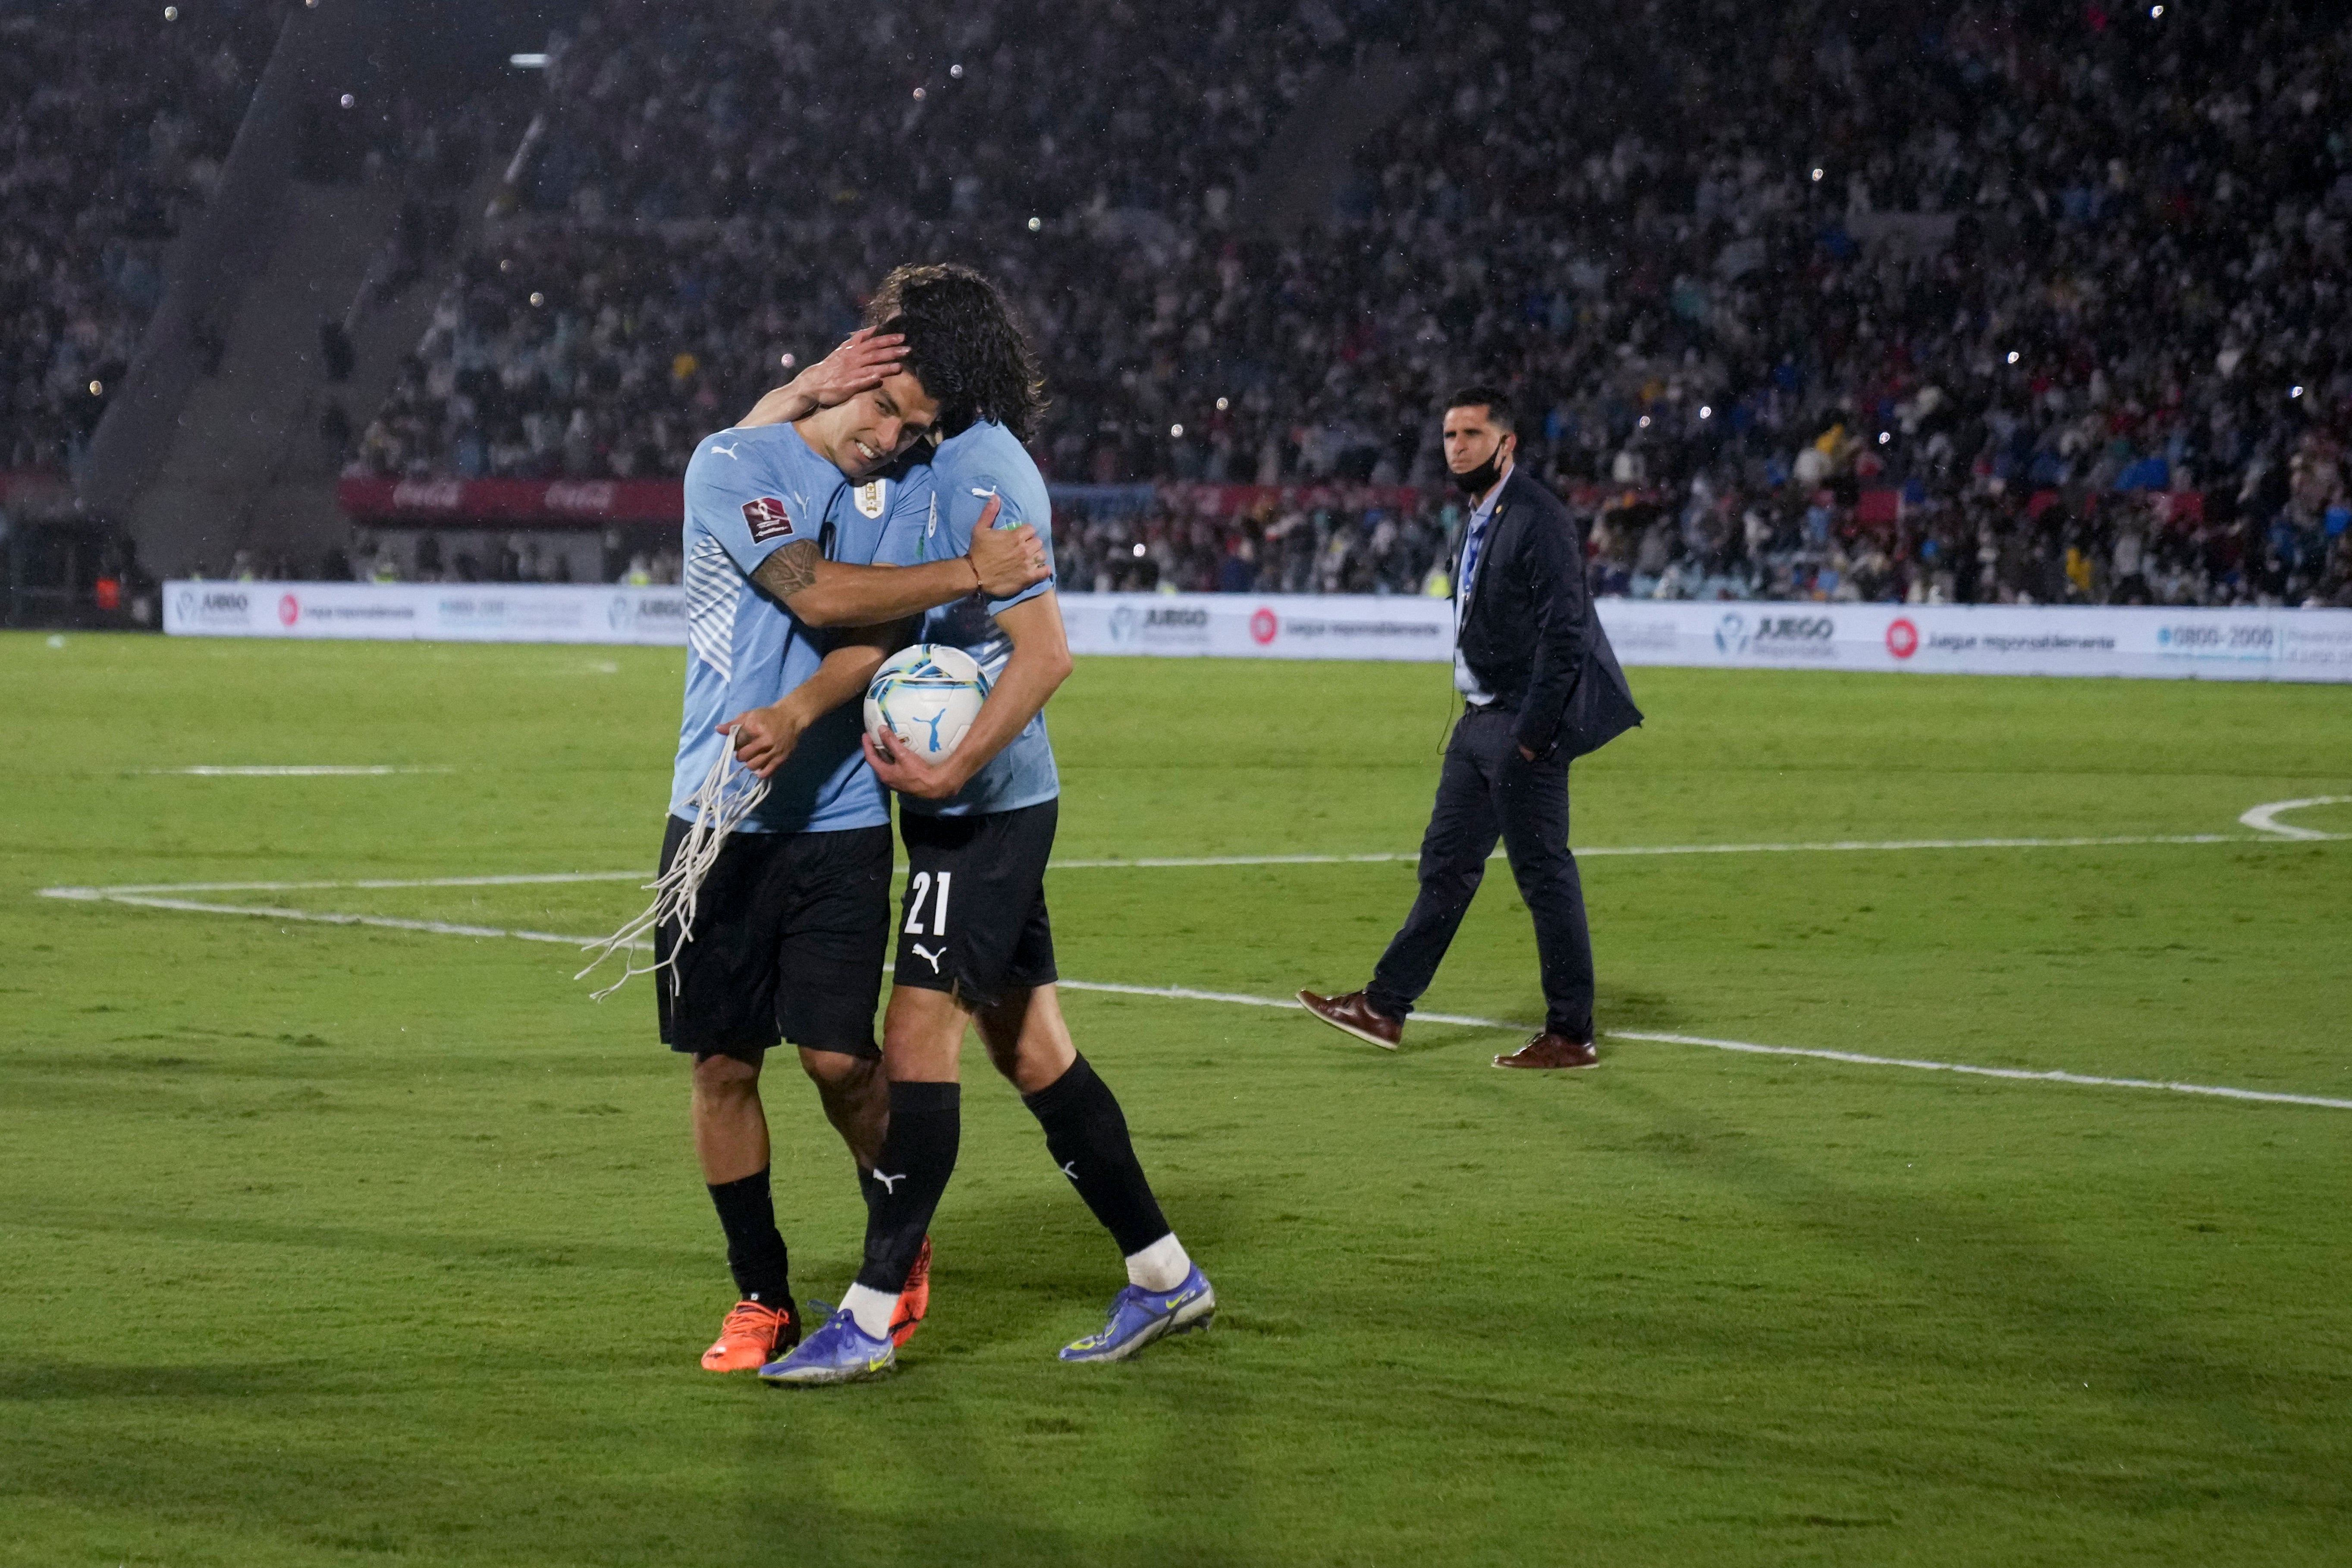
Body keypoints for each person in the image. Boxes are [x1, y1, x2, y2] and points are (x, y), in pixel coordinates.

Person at [761, 264, 1212, 1386]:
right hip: (949, 801)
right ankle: (1163, 1274)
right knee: (1032, 1049)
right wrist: (813, 383)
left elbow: (1048, 651)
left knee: (918, 1040)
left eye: (895, 348)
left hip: (987, 806)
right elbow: (743, 462)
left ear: (947, 362)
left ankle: (868, 1318)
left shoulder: (986, 468)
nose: (877, 363)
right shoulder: (907, 448)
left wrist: (952, 765)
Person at [645, 326, 1051, 1376]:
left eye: (916, 428)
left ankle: (894, 1251)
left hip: (840, 819)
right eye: (887, 409)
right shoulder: (734, 461)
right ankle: (760, 1297)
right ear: (852, 378)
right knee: (725, 1067)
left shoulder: (905, 488)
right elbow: (814, 592)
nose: (894, 438)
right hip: (717, 814)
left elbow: (883, 632)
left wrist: (800, 710)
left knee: (836, 1057)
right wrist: (971, 566)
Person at [1298, 387, 1641, 1068]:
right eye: (1449, 436)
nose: (1456, 447)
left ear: (1505, 443)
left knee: (1544, 875)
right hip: (1480, 721)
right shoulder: (1481, 516)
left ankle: (1571, 1033)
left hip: (1519, 726)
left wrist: (1531, 735)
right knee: (1446, 868)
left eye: (1471, 435)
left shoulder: (1537, 517)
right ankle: (1384, 1007)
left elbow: (1564, 633)